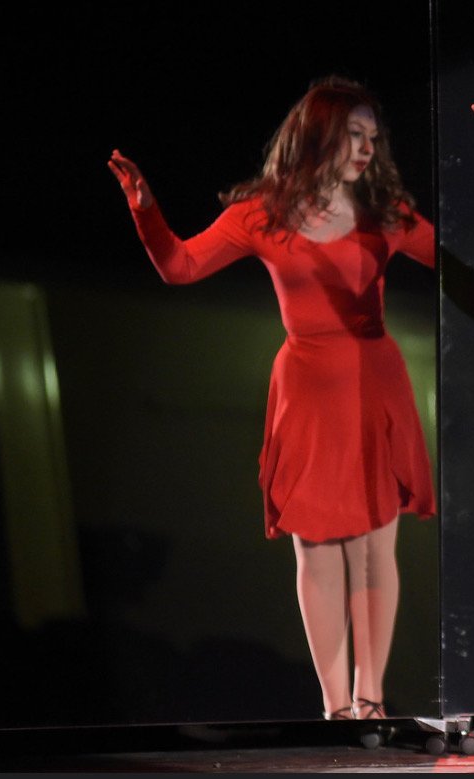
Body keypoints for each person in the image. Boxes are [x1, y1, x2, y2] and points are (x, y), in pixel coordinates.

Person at [108, 76, 435, 721]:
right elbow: (178, 267)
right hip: (308, 391)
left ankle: (372, 700)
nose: (367, 147)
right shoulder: (262, 214)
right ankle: (337, 708)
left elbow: (458, 258)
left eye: (374, 136)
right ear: (318, 137)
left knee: (372, 548)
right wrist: (146, 209)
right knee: (316, 547)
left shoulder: (386, 216)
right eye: (354, 135)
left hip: (375, 386)